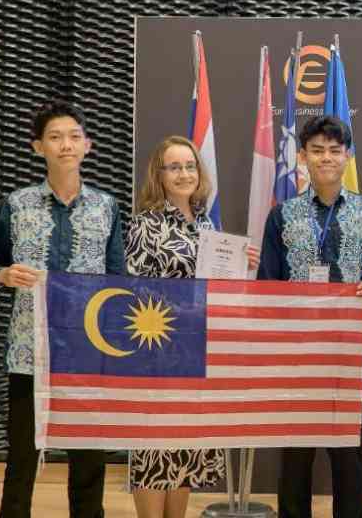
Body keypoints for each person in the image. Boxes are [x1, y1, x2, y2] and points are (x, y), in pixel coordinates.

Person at [0, 99, 124, 518]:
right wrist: (4, 275)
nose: (66, 145)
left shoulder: (107, 207)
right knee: (22, 453)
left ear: (88, 145)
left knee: (89, 456)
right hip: (30, 351)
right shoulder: (17, 204)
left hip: (88, 349)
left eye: (74, 137)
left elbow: (118, 279)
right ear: (37, 147)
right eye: (55, 137)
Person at [258, 115, 362, 518]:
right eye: (317, 150)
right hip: (296, 353)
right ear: (302, 156)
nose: (326, 158)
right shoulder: (282, 215)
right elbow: (267, 283)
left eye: (334, 150)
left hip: (350, 351)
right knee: (295, 456)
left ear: (347, 156)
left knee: (349, 454)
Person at [125, 135, 259, 518]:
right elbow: (133, 291)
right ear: (159, 174)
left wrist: (241, 265)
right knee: (154, 450)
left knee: (185, 448)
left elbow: (216, 288)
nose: (184, 174)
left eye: (189, 166)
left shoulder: (205, 224)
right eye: (174, 167)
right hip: (157, 355)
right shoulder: (146, 224)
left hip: (198, 353)